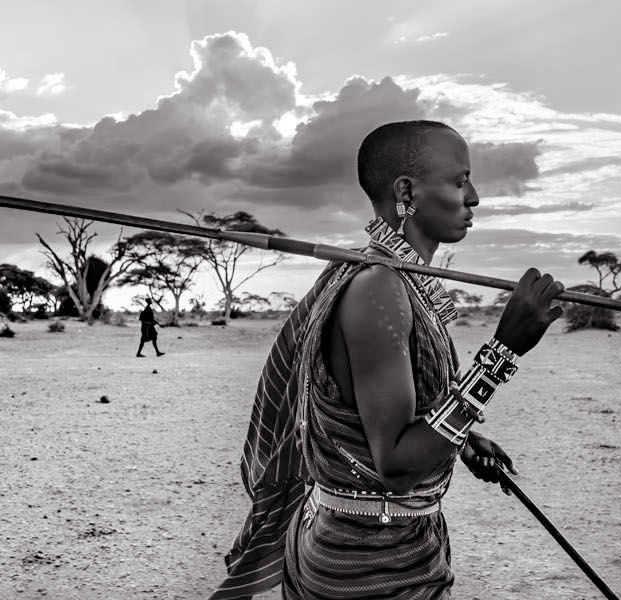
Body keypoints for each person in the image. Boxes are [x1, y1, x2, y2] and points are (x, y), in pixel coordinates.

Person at [211, 120, 566, 599]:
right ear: (406, 192)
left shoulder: (392, 278)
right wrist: (502, 351)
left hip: (382, 543)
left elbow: (377, 414)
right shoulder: (378, 287)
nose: (474, 197)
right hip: (369, 563)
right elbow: (397, 466)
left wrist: (459, 441)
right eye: (460, 182)